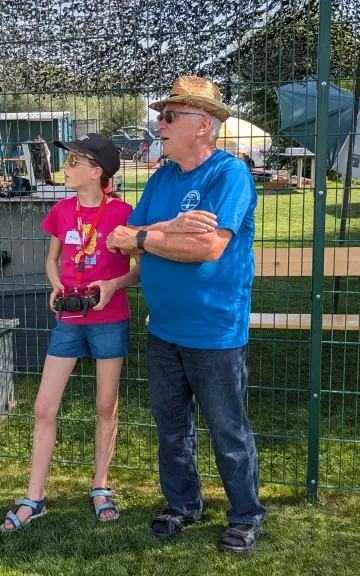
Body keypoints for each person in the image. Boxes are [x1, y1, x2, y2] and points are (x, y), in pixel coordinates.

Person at [106, 75, 265, 554]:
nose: (160, 123)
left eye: (170, 116)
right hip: (164, 328)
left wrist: (146, 238)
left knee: (226, 428)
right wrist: (167, 230)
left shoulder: (229, 175)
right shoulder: (162, 178)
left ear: (204, 125)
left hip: (214, 329)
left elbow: (209, 246)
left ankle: (245, 515)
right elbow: (121, 235)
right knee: (171, 426)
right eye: (163, 114)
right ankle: (182, 505)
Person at [1, 133, 140, 531]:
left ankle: (100, 485)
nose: (66, 166)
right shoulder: (62, 209)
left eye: (75, 160)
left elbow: (140, 267)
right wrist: (56, 285)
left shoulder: (123, 212)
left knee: (104, 405)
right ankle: (35, 495)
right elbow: (52, 258)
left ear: (96, 172)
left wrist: (113, 285)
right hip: (69, 320)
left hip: (109, 320)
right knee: (44, 407)